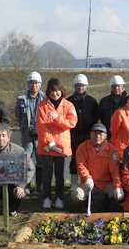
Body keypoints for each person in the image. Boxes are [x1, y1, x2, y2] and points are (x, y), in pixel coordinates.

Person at [36, 77, 78, 209]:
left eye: (57, 91)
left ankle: (60, 197)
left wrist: (57, 118)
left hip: (61, 146)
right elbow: (41, 126)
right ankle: (47, 198)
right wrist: (50, 141)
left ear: (62, 90)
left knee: (60, 174)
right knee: (47, 173)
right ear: (48, 92)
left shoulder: (68, 105)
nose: (55, 93)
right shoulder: (42, 105)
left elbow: (72, 123)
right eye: (52, 91)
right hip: (47, 146)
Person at [71, 123, 124, 211]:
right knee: (76, 195)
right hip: (88, 183)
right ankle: (87, 202)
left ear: (106, 136)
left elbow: (115, 170)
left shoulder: (112, 150)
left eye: (101, 133)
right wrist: (87, 178)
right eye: (95, 133)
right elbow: (81, 166)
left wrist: (118, 186)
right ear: (90, 134)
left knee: (117, 194)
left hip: (106, 184)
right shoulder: (82, 148)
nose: (97, 136)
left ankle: (106, 202)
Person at [15, 71, 46, 196]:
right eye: (32, 83)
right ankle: (26, 186)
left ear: (40, 85)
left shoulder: (45, 98)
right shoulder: (21, 99)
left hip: (40, 134)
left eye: (36, 83)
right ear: (28, 84)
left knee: (41, 161)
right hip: (27, 134)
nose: (34, 85)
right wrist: (25, 127)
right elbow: (18, 115)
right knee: (25, 160)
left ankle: (40, 186)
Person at [67, 73, 99, 191]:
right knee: (74, 159)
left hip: (88, 135)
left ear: (86, 86)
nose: (80, 87)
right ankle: (74, 183)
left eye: (82, 85)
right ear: (74, 86)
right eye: (78, 85)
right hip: (73, 135)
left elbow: (96, 118)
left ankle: (87, 181)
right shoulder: (68, 101)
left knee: (89, 159)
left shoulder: (92, 101)